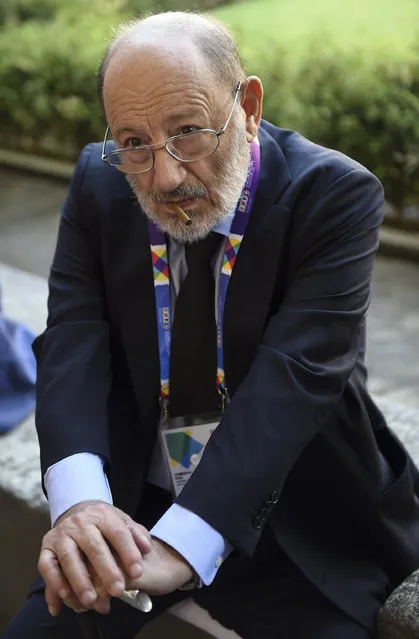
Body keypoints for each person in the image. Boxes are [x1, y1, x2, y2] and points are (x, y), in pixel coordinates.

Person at [4, 10, 419, 639]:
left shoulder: (333, 195)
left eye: (188, 131)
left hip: (295, 523)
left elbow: (294, 382)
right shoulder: (98, 179)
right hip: (132, 506)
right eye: (133, 142)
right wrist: (83, 506)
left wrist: (187, 543)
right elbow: (71, 341)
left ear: (248, 105)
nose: (164, 176)